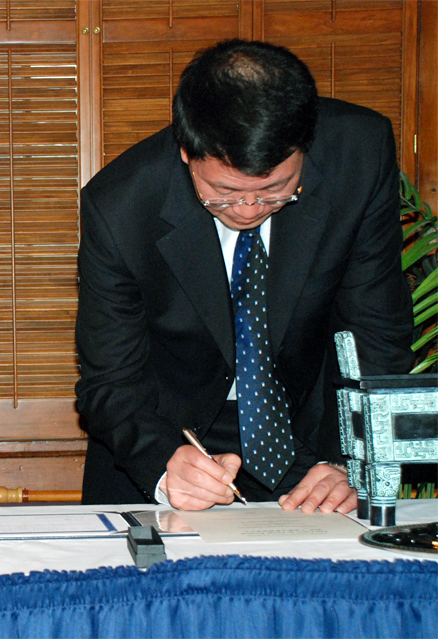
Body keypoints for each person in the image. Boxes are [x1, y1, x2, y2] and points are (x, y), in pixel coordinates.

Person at [75, 39, 413, 513]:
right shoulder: (121, 207)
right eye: (225, 192)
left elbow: (376, 330)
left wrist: (349, 461)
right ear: (186, 152)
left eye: (276, 190)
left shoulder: (359, 154)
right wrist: (162, 465)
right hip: (167, 440)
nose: (250, 209)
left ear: (305, 147)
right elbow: (109, 381)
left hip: (312, 435)